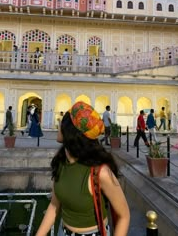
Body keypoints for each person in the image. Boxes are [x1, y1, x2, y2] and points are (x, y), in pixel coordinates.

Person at [36, 101, 130, 236]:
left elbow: (124, 215)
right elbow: (54, 205)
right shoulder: (62, 162)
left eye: (62, 123)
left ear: (70, 131)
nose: (58, 126)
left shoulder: (100, 172)